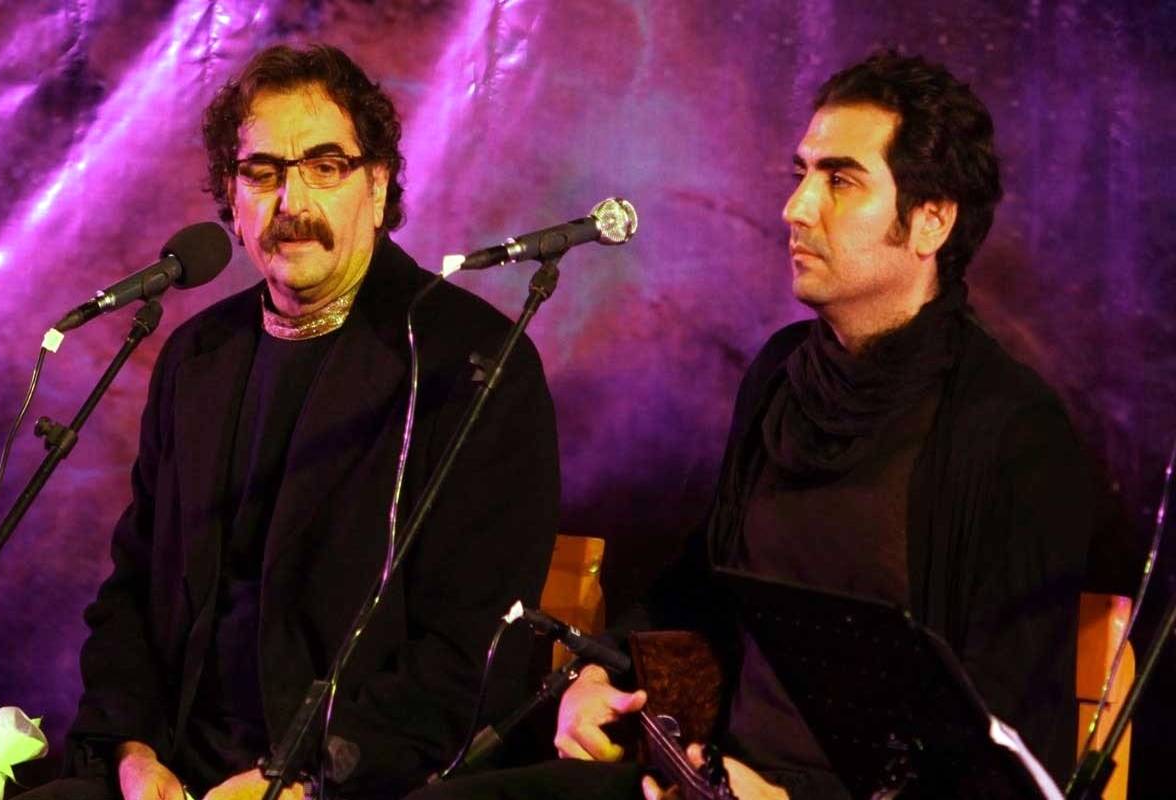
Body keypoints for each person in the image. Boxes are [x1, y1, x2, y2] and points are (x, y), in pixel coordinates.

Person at [407, 50, 1100, 800]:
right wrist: (599, 674)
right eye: (802, 174)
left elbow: (1008, 761)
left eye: (840, 180)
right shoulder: (782, 374)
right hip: (708, 777)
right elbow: (701, 588)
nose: (797, 208)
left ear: (931, 220)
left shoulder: (1012, 433)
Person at [19, 43, 560, 800]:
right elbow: (132, 592)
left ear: (378, 185)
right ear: (231, 198)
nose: (291, 201)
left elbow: (473, 651)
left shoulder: (471, 363)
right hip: (169, 773)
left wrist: (297, 786)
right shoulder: (196, 357)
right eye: (263, 172)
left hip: (354, 783)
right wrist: (133, 754)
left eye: (326, 166)